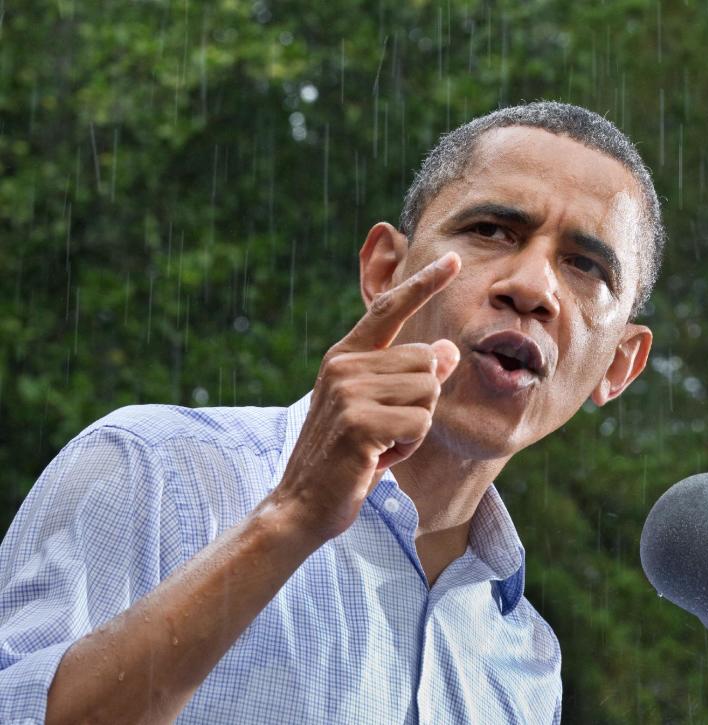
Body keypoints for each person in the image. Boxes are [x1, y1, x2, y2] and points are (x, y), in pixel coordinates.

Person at [0, 101, 663, 723]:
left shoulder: (527, 661)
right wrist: (289, 517)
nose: (531, 287)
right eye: (492, 229)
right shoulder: (150, 467)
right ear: (385, 271)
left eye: (584, 265)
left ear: (619, 365)